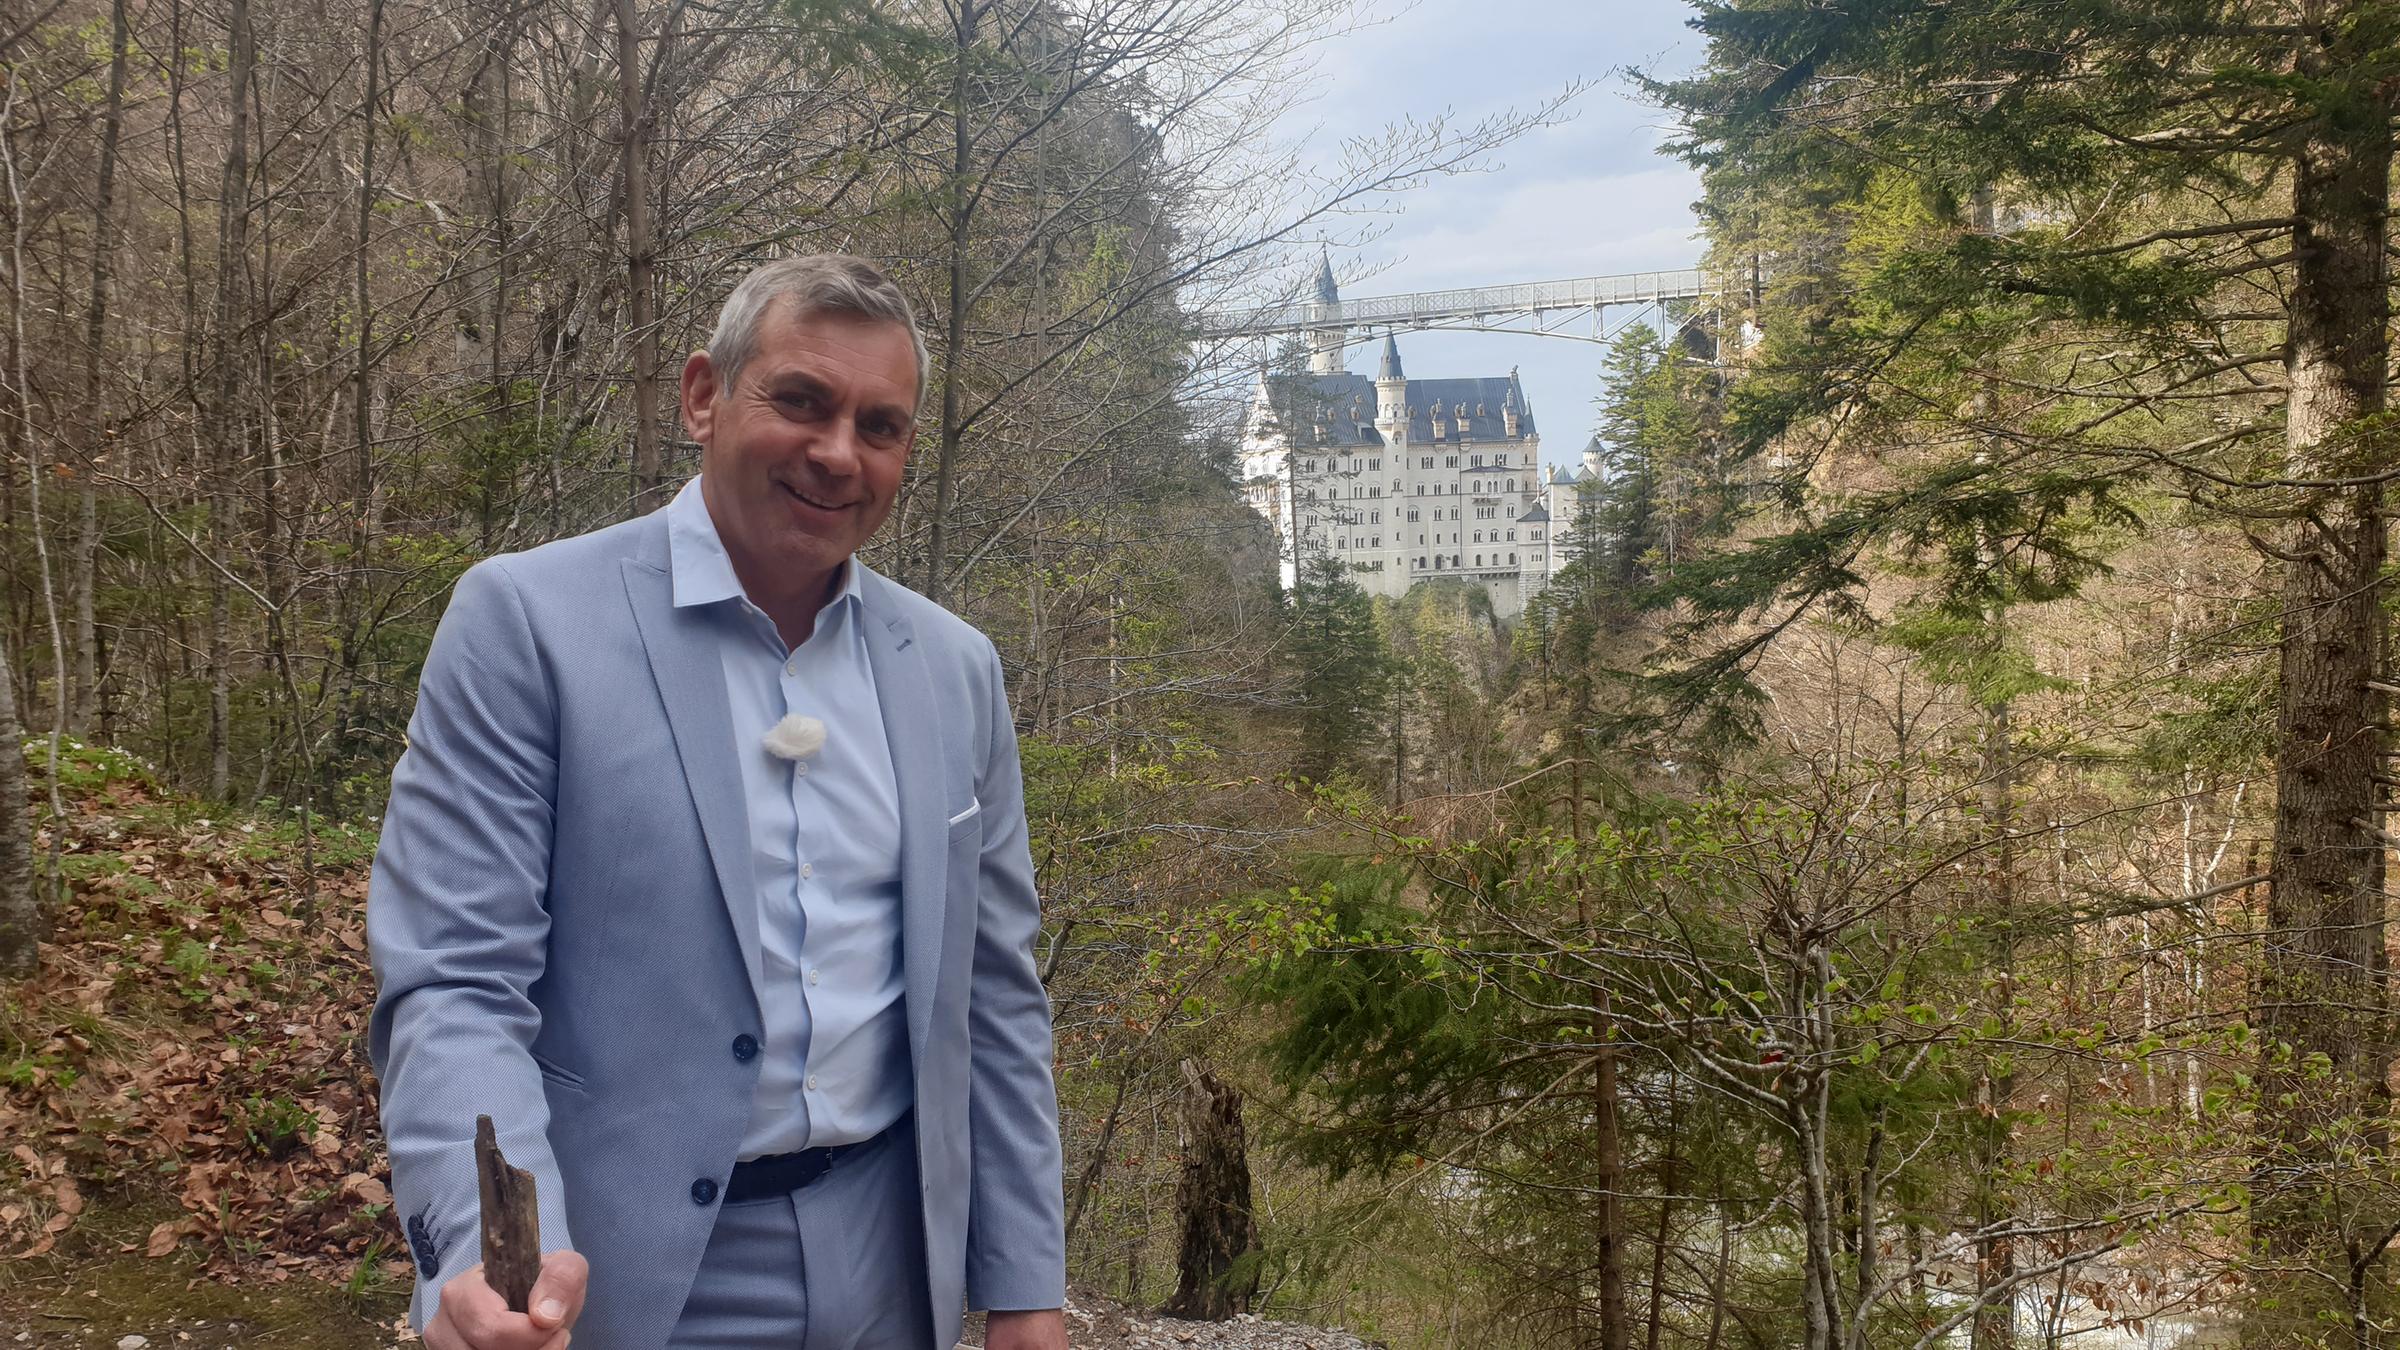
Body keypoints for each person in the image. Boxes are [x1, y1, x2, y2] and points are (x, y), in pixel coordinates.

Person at [367, 254, 1070, 1350]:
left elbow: (993, 999)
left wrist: (1026, 1287)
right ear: (704, 396)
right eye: (800, 401)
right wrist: (486, 1252)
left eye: (878, 427)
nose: (837, 453)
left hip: (892, 1265)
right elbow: (457, 983)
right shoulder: (527, 625)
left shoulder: (953, 669)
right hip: (612, 1280)